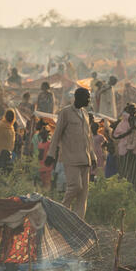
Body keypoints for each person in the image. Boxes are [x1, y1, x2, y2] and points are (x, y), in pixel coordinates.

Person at [46, 87, 96, 219]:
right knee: (75, 187)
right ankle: (61, 211)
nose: (89, 100)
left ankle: (78, 222)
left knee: (83, 196)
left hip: (86, 159)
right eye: (87, 97)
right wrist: (51, 154)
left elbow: (88, 137)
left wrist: (93, 156)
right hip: (71, 158)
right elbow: (57, 134)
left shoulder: (85, 114)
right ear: (78, 97)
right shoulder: (65, 113)